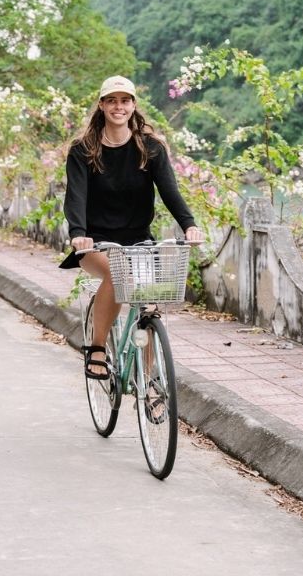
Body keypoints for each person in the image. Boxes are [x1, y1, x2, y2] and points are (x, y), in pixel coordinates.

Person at [61, 75, 204, 386]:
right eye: (111, 100)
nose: (118, 106)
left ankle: (151, 382)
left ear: (133, 105)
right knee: (116, 272)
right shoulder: (83, 150)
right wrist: (78, 233)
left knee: (150, 308)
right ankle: (97, 348)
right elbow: (75, 197)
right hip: (95, 242)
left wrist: (189, 225)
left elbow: (170, 192)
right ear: (101, 105)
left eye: (125, 100)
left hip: (140, 243)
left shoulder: (150, 148)